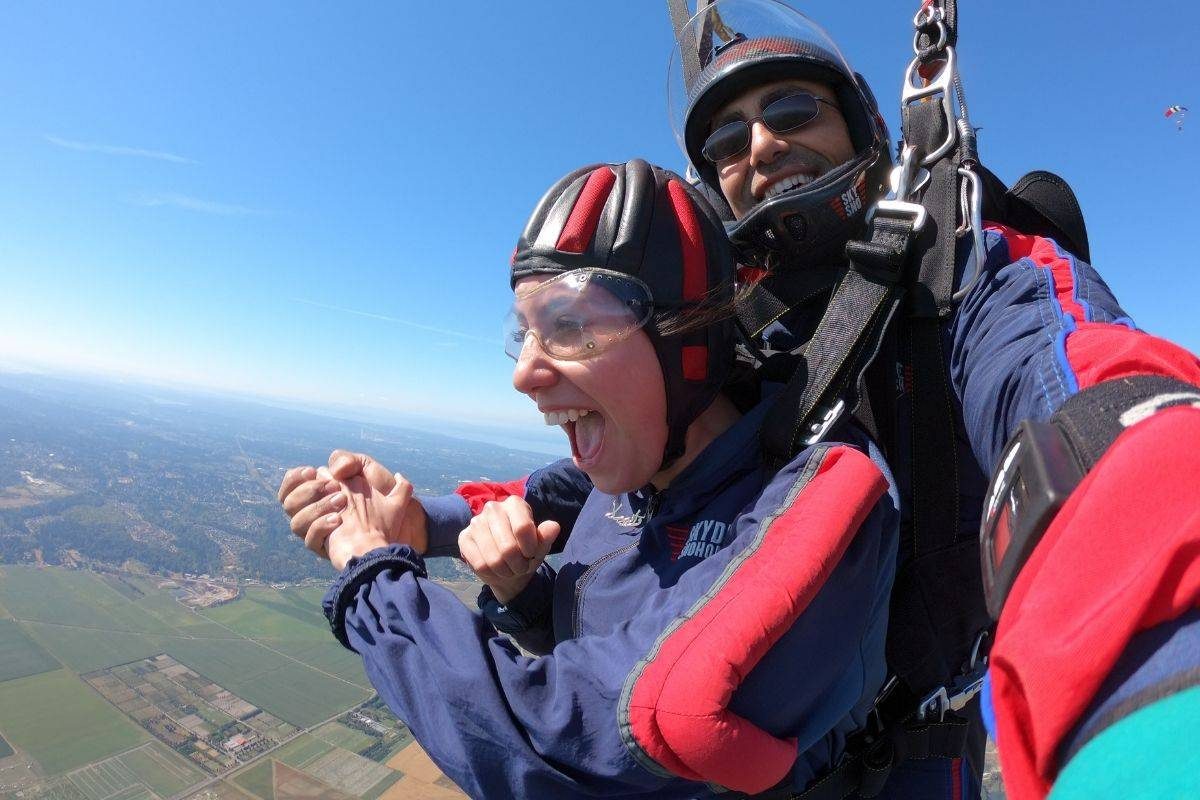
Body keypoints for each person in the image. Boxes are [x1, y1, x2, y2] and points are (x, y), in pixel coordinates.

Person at [281, 2, 1200, 796]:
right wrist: (427, 522)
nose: (760, 146)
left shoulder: (966, 277)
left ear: (866, 132)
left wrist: (1157, 674)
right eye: (726, 142)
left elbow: (1081, 400)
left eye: (793, 110)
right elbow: (591, 489)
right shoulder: (724, 332)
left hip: (908, 752)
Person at [311, 159, 902, 799]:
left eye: (571, 327)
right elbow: (531, 497)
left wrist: (373, 574)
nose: (524, 373)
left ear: (687, 339)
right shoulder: (635, 464)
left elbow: (557, 742)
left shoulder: (811, 505)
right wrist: (407, 521)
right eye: (527, 334)